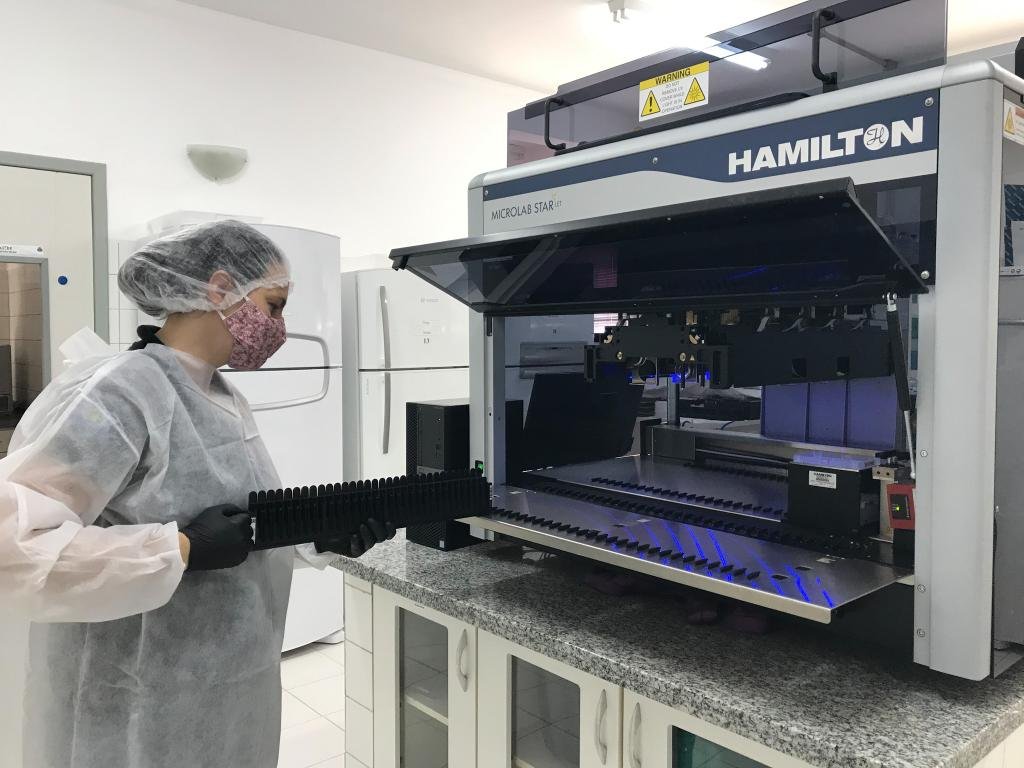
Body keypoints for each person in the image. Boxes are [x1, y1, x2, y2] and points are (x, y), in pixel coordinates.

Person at [0, 220, 393, 768]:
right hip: (132, 700)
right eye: (274, 306)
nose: (279, 329)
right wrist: (180, 549)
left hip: (229, 684)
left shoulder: (221, 396)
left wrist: (313, 540)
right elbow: (15, 548)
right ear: (219, 289)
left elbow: (237, 526)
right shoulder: (120, 394)